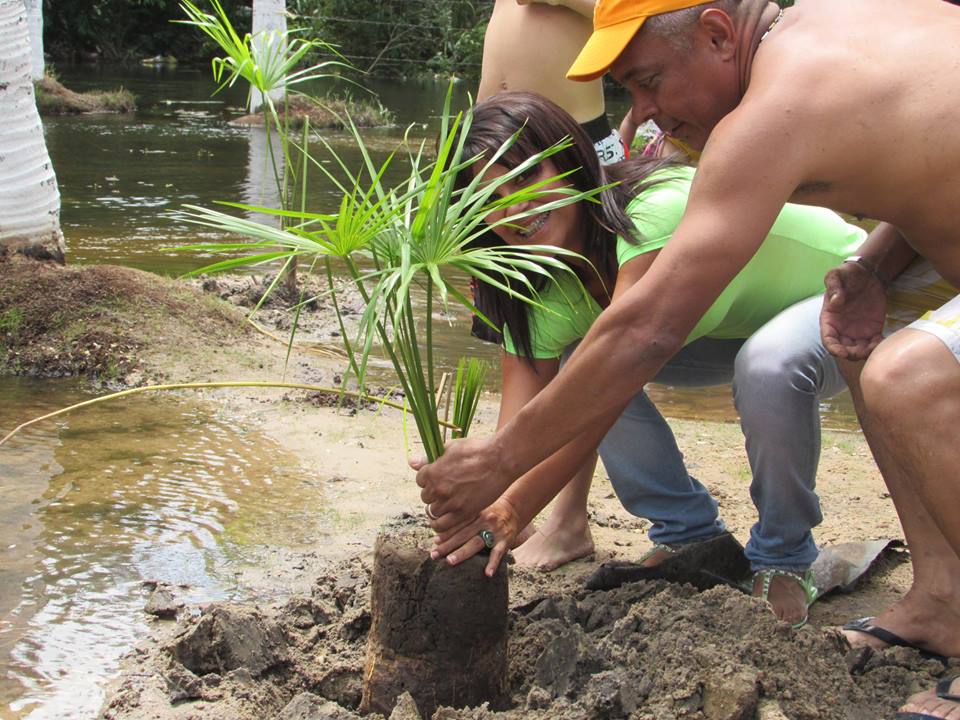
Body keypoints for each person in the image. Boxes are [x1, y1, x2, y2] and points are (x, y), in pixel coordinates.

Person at [415, 1, 960, 716]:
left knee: (904, 375)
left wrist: (497, 466)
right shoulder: (839, 33)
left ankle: (789, 558)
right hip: (898, 258)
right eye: (628, 94)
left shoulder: (768, 113)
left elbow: (646, 331)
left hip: (778, 317)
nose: (641, 119)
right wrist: (878, 268)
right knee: (861, 335)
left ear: (716, 33)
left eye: (650, 82)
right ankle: (943, 598)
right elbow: (927, 167)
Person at [453, 90, 874, 626]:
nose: (515, 209)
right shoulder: (541, 279)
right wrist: (482, 500)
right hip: (725, 325)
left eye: (527, 179)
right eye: (491, 198)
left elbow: (617, 377)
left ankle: (785, 557)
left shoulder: (650, 213)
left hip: (846, 300)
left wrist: (514, 509)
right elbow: (523, 422)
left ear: (572, 164)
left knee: (763, 366)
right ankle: (687, 534)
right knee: (585, 361)